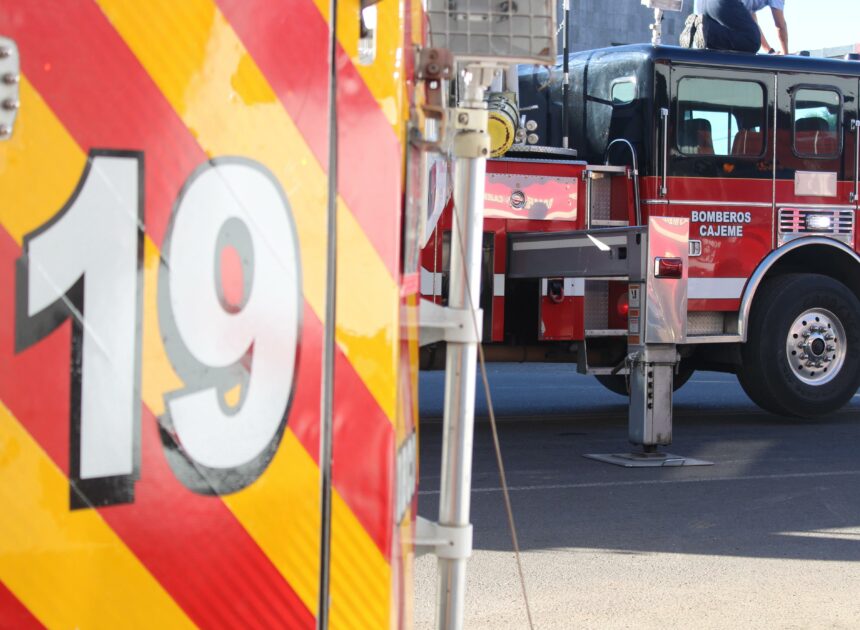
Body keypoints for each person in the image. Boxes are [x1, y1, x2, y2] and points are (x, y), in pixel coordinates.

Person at [680, 0, 789, 55]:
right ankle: (708, 30)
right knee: (752, 42)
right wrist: (786, 55)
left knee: (744, 39)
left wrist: (769, 51)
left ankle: (697, 26)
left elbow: (753, 26)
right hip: (722, 4)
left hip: (703, 4)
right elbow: (780, 25)